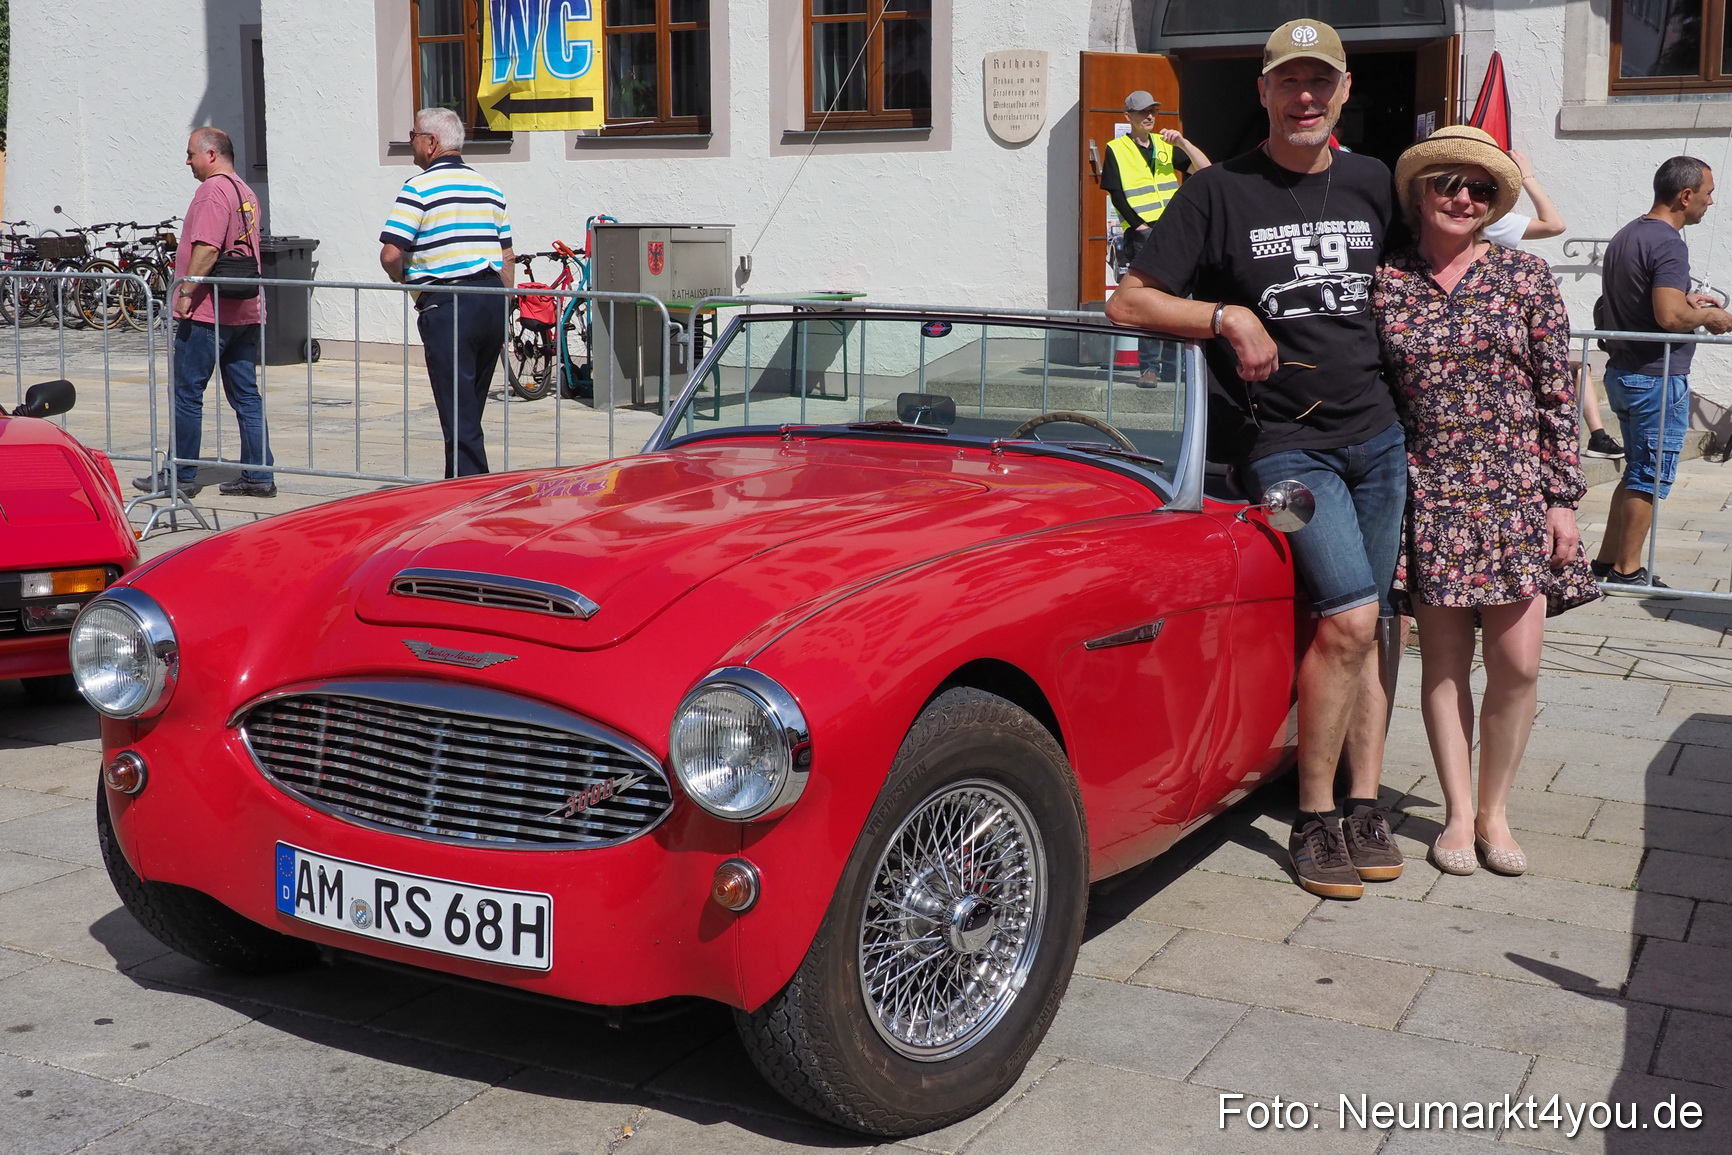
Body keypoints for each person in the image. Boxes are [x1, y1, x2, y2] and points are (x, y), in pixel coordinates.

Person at [1105, 19, 1406, 900]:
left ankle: (1364, 802)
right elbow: (1129, 301)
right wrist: (1225, 318)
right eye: (1289, 82)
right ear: (1265, 93)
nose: (1305, 97)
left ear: (1344, 89)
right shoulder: (1219, 193)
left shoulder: (1374, 182)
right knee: (1348, 616)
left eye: (1321, 82)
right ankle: (1313, 818)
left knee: (1377, 620)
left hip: (1379, 438)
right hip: (1282, 447)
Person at [1375, 126, 1602, 878]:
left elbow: (1553, 392)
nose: (1463, 198)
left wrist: (1561, 498)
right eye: (1448, 184)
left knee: (1518, 663)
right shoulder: (1389, 279)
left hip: (1513, 490)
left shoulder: (1525, 277)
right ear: (1419, 192)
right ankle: (1459, 812)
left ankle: (1498, 806)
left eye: (1478, 189)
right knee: (1442, 663)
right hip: (1432, 487)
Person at [1592, 156, 1732, 586]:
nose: (1711, 202)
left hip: (1626, 372)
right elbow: (1669, 318)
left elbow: (1644, 306)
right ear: (1685, 196)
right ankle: (1628, 570)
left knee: (1637, 470)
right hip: (1655, 375)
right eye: (1707, 193)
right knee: (1650, 476)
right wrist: (1710, 318)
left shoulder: (1627, 234)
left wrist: (1688, 305)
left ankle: (1607, 562)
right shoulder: (1670, 242)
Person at [133, 127, 275, 499]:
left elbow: (209, 248)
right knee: (246, 395)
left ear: (211, 154)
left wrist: (186, 292)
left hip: (209, 312)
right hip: (245, 310)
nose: (187, 161)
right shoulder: (245, 190)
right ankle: (259, 475)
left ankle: (180, 475)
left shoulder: (212, 191)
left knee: (186, 393)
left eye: (191, 154)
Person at [379, 107, 514, 478]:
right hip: (491, 298)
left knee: (458, 412)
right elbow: (507, 255)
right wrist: (505, 300)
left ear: (432, 142)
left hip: (449, 303)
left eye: (413, 135)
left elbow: (391, 253)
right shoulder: (490, 187)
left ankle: (472, 492)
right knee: (468, 408)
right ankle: (461, 484)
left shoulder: (418, 186)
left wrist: (407, 284)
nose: (410, 143)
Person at [1480, 150, 1624, 461]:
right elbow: (1555, 224)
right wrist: (1527, 177)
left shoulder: (1490, 221)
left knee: (1577, 368)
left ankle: (1597, 436)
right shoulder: (1488, 221)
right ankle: (1595, 436)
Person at [1100, 91, 1211, 385]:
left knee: (1179, 300)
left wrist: (1184, 143)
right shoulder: (1116, 149)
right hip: (1144, 234)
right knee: (1148, 302)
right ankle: (1150, 367)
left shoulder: (1165, 146)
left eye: (1153, 111)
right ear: (1129, 117)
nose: (1149, 117)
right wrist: (1138, 226)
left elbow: (1206, 170)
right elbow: (1116, 192)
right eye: (1142, 112)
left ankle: (1176, 367)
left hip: (1174, 235)